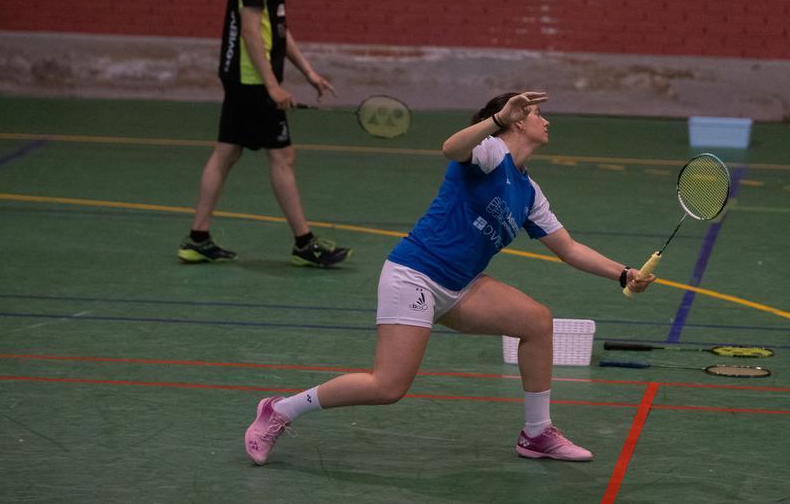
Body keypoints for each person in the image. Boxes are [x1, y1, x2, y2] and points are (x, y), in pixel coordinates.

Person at [243, 91, 655, 464]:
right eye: (536, 113)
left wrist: (622, 273)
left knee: (536, 322)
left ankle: (536, 434)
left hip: (461, 287)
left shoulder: (529, 192)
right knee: (388, 386)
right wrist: (495, 122)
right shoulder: (490, 151)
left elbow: (568, 247)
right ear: (514, 120)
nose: (546, 121)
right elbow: (450, 148)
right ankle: (280, 410)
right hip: (416, 276)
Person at [178, 0, 349, 268]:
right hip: (251, 79)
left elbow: (277, 29)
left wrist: (307, 72)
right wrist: (272, 85)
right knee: (282, 155)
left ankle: (197, 237)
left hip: (244, 77)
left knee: (227, 151)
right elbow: (252, 29)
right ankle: (305, 244)